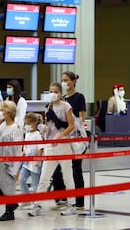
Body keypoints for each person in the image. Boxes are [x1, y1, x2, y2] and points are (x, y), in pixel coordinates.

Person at [28, 82, 76, 217]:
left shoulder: (66, 106)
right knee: (44, 177)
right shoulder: (48, 106)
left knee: (67, 176)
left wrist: (60, 136)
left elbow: (71, 126)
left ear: (60, 93)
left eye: (55, 91)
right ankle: (37, 205)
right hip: (50, 146)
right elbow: (48, 126)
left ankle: (72, 204)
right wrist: (43, 130)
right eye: (51, 91)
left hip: (63, 146)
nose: (53, 94)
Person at [50, 71, 87, 210]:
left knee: (76, 169)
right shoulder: (63, 99)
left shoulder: (79, 97)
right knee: (60, 168)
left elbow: (82, 118)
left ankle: (79, 200)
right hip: (63, 137)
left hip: (75, 137)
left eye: (66, 80)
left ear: (73, 81)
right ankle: (61, 197)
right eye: (62, 80)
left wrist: (74, 128)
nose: (64, 82)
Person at [0, 100, 23, 221]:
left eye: (2, 110)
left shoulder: (16, 128)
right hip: (0, 157)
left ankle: (9, 210)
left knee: (7, 185)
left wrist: (15, 166)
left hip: (9, 161)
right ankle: (11, 205)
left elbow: (18, 148)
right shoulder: (3, 125)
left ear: (8, 112)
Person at [18, 112, 43, 208]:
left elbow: (40, 148)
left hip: (34, 162)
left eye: (27, 123)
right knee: (21, 179)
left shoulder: (38, 135)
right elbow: (26, 146)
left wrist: (38, 160)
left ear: (33, 124)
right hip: (26, 162)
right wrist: (23, 153)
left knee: (35, 183)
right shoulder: (27, 134)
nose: (26, 126)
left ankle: (37, 203)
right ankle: (26, 199)